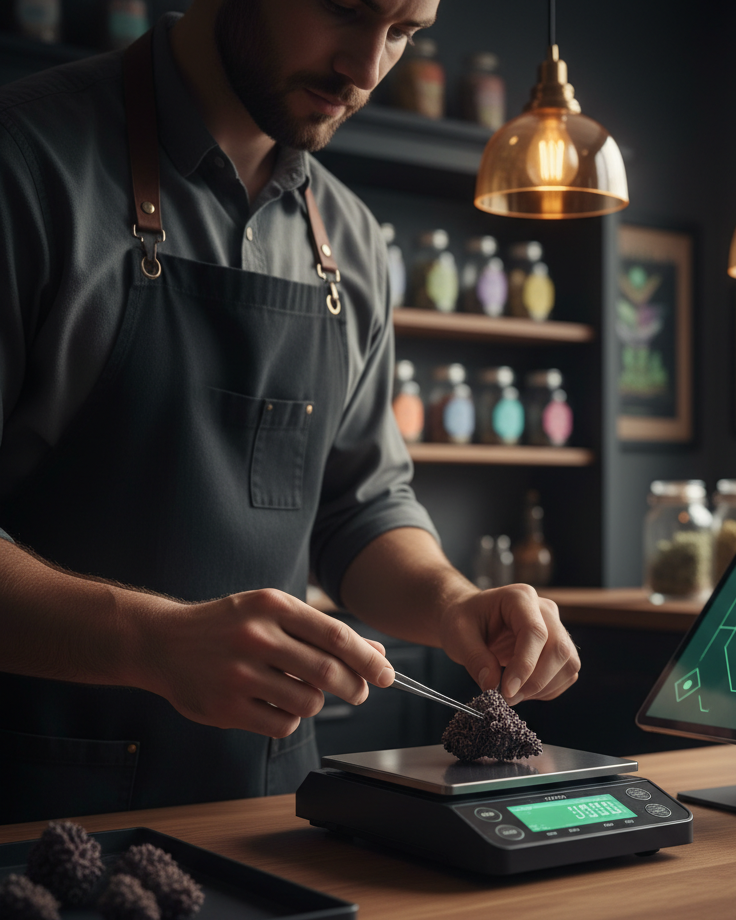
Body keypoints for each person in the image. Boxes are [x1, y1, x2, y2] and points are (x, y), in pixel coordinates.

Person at [0, 0, 580, 825]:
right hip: (37, 807)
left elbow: (358, 508)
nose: (369, 69)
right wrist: (152, 645)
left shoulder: (350, 236)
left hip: (270, 816)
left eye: (405, 32)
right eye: (347, 11)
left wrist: (451, 603)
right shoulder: (24, 164)